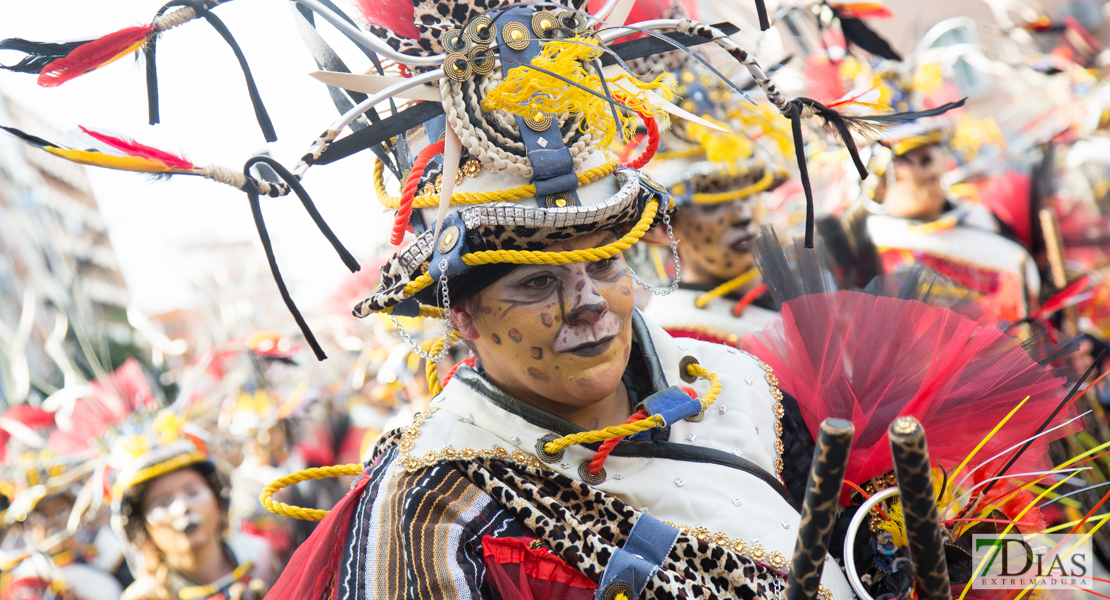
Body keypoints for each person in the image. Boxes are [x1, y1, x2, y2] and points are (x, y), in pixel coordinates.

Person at [864, 125, 1041, 321]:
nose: (929, 161)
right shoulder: (891, 262)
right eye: (908, 156)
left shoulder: (977, 212)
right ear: (877, 188)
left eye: (930, 149)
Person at [111, 436, 273, 600]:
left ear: (218, 503)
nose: (182, 508)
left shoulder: (264, 558)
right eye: (163, 504)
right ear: (145, 531)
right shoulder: (145, 597)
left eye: (192, 492)